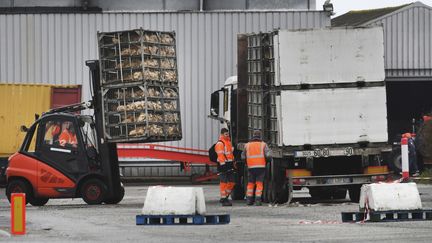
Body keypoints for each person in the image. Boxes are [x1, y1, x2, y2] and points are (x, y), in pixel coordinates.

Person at [241, 130, 272, 206]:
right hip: (261, 167)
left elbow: (243, 156)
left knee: (250, 184)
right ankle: (258, 200)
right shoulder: (263, 145)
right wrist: (266, 162)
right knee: (259, 184)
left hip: (251, 167)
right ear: (260, 136)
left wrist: (247, 163)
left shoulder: (247, 145)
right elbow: (268, 155)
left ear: (253, 135)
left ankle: (249, 200)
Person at [215, 128, 235, 206]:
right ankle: (224, 198)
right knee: (223, 182)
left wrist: (233, 163)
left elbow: (230, 154)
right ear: (222, 134)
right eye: (226, 134)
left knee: (232, 182)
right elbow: (220, 155)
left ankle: (225, 197)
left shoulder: (228, 142)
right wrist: (223, 166)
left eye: (228, 134)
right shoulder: (220, 143)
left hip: (229, 164)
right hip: (223, 165)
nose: (227, 135)